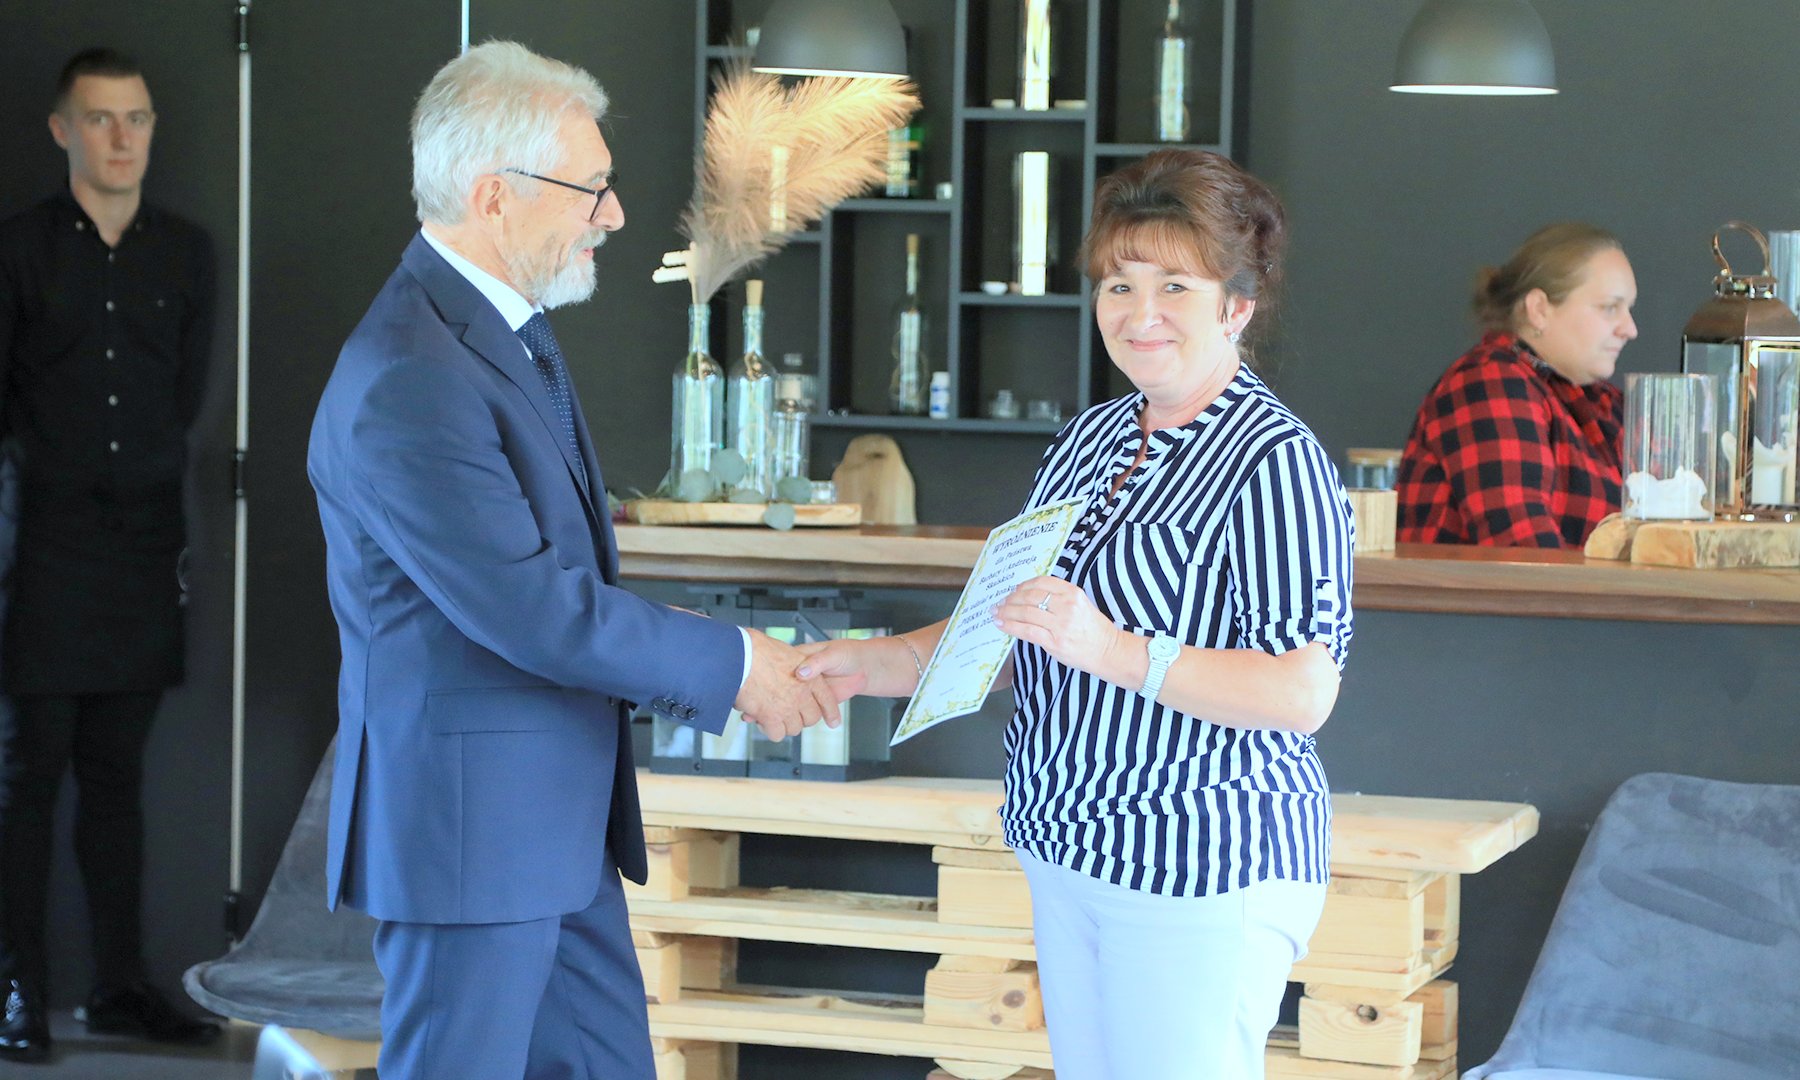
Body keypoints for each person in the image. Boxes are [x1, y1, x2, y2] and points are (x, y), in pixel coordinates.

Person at [306, 41, 838, 1080]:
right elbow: (533, 608)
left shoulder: (498, 337)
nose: (616, 214)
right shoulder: (410, 374)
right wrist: (733, 664)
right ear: (493, 197)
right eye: (591, 187)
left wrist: (709, 650)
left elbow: (549, 592)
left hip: (552, 830)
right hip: (473, 843)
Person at [797, 149, 1353, 1079]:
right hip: (1070, 848)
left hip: (1199, 862)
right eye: (1118, 284)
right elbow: (1015, 624)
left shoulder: (1275, 462)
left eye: (1175, 286)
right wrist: (876, 663)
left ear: (1237, 305)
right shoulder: (1091, 439)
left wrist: (1113, 647)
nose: (1140, 313)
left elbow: (1302, 693)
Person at [0, 47, 221, 1062]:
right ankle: (17, 993)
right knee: (25, 781)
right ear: (63, 131)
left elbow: (184, 395)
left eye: (136, 117)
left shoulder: (187, 253)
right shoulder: (18, 251)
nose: (122, 137)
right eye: (100, 118)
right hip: (40, 547)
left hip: (142, 547)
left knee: (117, 779)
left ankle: (119, 988)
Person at [1397, 223, 1637, 547]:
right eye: (1610, 308)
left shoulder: (1601, 402)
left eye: (1628, 309)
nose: (1630, 329)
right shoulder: (1489, 381)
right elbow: (1522, 550)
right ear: (1539, 310)